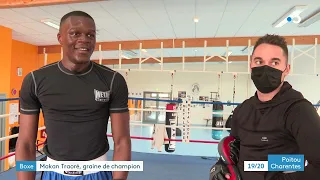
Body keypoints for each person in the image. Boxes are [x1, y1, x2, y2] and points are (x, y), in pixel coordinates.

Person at [15, 11, 131, 180]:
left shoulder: (113, 81)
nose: (84, 39)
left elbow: (122, 141)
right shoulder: (35, 80)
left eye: (90, 35)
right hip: (53, 173)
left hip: (97, 173)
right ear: (60, 37)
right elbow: (25, 142)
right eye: (75, 33)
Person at [210, 34, 320, 180]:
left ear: (286, 69)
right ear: (251, 65)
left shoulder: (299, 111)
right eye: (259, 61)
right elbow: (236, 154)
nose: (265, 68)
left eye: (274, 62)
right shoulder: (242, 110)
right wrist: (221, 167)